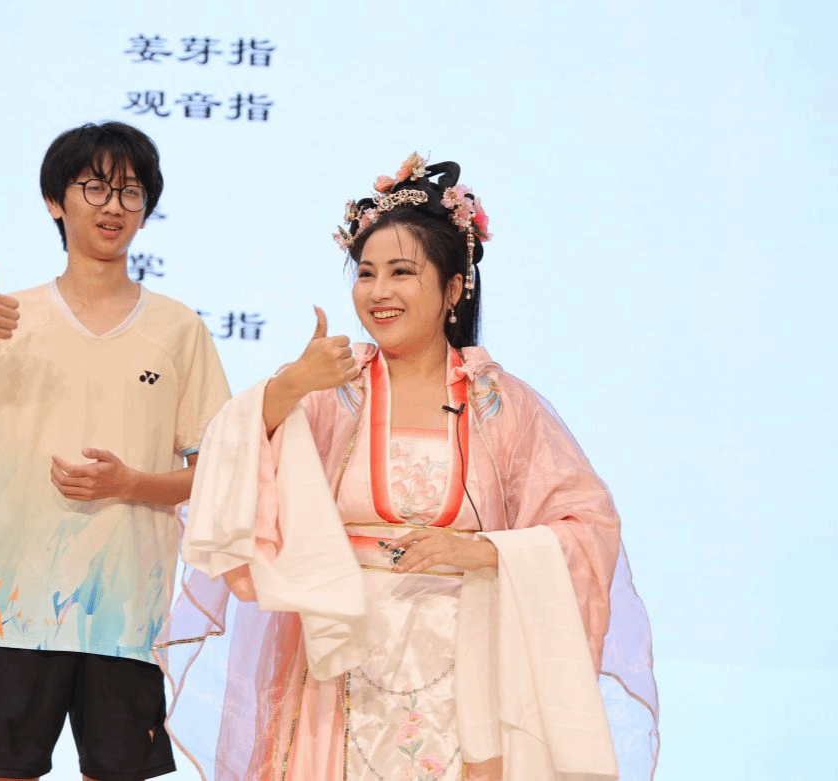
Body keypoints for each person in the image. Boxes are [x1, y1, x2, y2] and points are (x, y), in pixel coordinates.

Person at [158, 154, 658, 780]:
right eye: (366, 274)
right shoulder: (330, 389)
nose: (378, 292)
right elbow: (229, 479)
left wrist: (486, 552)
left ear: (453, 289)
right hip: (340, 652)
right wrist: (287, 388)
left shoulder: (499, 402)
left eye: (401, 272)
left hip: (465, 659)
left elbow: (588, 524)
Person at [0, 121, 231, 781]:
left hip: (127, 613)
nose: (114, 206)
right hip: (15, 607)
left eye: (131, 192)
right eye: (95, 188)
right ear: (55, 201)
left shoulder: (179, 328)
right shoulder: (9, 318)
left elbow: (217, 475)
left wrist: (131, 484)